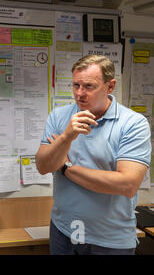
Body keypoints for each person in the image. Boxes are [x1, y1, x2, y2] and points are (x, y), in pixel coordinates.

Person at [36, 55, 151, 255]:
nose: (80, 94)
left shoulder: (133, 123)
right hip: (63, 230)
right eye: (76, 85)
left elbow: (127, 185)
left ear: (110, 86)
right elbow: (43, 166)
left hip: (109, 240)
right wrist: (66, 137)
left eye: (89, 86)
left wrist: (66, 167)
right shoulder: (59, 116)